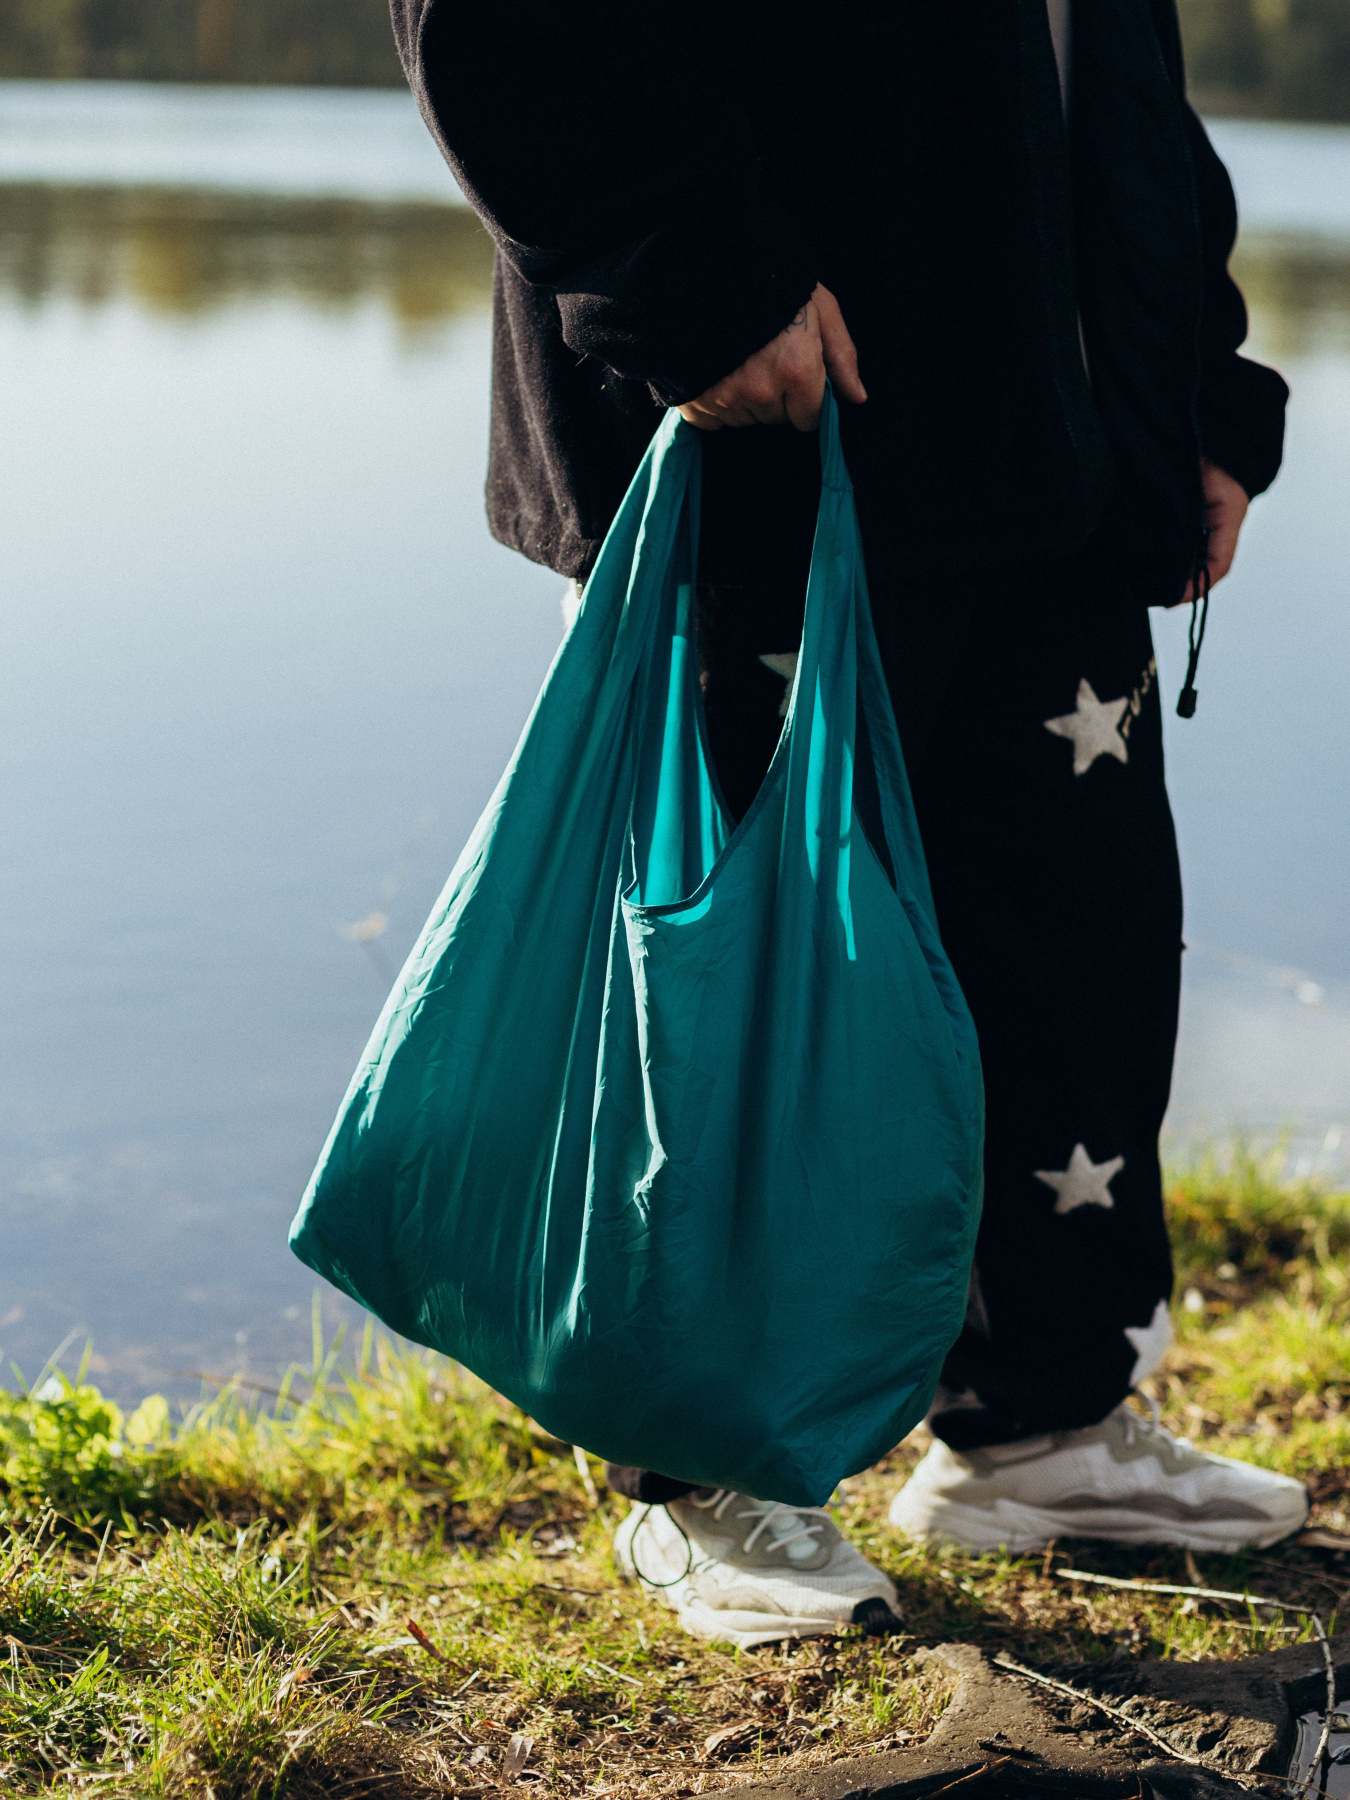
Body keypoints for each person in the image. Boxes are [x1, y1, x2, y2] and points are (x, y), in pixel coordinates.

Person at [391, 0, 1309, 1647]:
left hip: (1051, 435)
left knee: (1069, 942)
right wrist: (684, 273)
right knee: (732, 970)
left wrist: (1193, 381)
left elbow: (1110, 75)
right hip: (754, 409)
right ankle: (696, 1465)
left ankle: (1034, 1427)